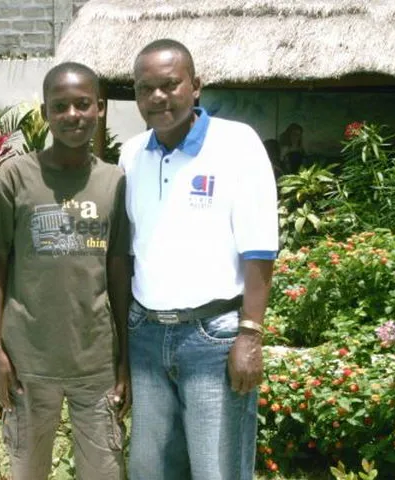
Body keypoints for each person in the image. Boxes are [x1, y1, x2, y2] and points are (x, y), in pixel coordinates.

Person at [119, 39, 278, 480]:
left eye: (170, 84)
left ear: (196, 87)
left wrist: (250, 335)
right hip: (146, 335)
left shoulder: (237, 144)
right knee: (150, 470)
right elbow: (129, 251)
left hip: (213, 339)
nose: (157, 97)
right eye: (145, 88)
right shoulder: (132, 154)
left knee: (217, 470)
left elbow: (259, 248)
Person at [0, 62, 131, 480]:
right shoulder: (16, 176)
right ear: (45, 113)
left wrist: (125, 359)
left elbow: (119, 273)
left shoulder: (114, 182)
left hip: (96, 362)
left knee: (105, 472)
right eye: (60, 106)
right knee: (28, 471)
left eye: (82, 104)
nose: (72, 115)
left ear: (99, 107)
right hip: (26, 362)